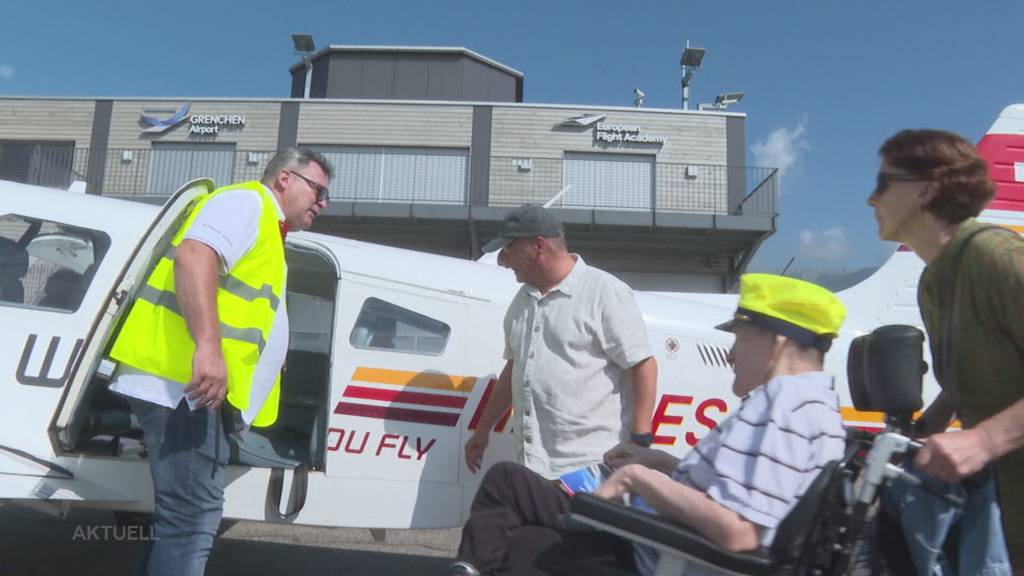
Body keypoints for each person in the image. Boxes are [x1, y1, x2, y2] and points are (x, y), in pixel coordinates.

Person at [448, 273, 848, 576]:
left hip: (659, 552)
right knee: (510, 485)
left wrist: (638, 479)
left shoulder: (786, 408)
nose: (730, 354)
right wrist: (662, 461)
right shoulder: (814, 404)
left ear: (776, 343)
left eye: (740, 337)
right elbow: (741, 494)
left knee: (517, 537)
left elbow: (740, 534)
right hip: (660, 537)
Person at [107, 147, 332, 576]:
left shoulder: (268, 228)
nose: (323, 203)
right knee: (193, 520)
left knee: (182, 519)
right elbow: (193, 256)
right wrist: (207, 346)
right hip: (180, 384)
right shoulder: (246, 202)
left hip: (193, 389)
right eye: (318, 190)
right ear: (285, 178)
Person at [869, 129, 1021, 574]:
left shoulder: (997, 257)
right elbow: (989, 363)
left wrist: (985, 439)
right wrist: (933, 420)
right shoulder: (933, 283)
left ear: (927, 189)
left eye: (883, 184)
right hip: (1005, 521)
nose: (870, 200)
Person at [464, 205, 658, 481]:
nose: (503, 261)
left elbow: (643, 364)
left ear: (538, 246)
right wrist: (483, 429)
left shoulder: (603, 291)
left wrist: (639, 439)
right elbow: (515, 368)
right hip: (534, 465)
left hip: (591, 464)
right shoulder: (521, 302)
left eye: (508, 250)